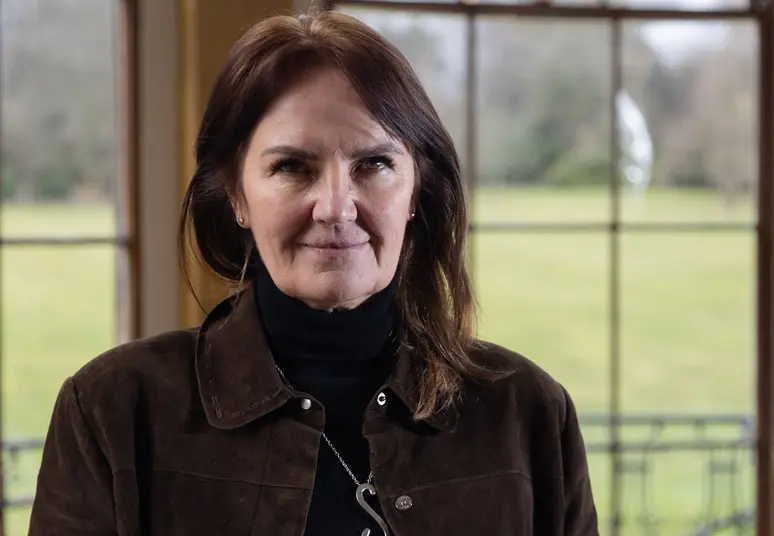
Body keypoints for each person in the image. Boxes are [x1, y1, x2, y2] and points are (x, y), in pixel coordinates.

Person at [28, 10, 599, 536]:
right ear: (236, 195)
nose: (335, 206)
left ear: (415, 191)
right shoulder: (112, 412)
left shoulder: (530, 415)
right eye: (292, 167)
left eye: (374, 164)